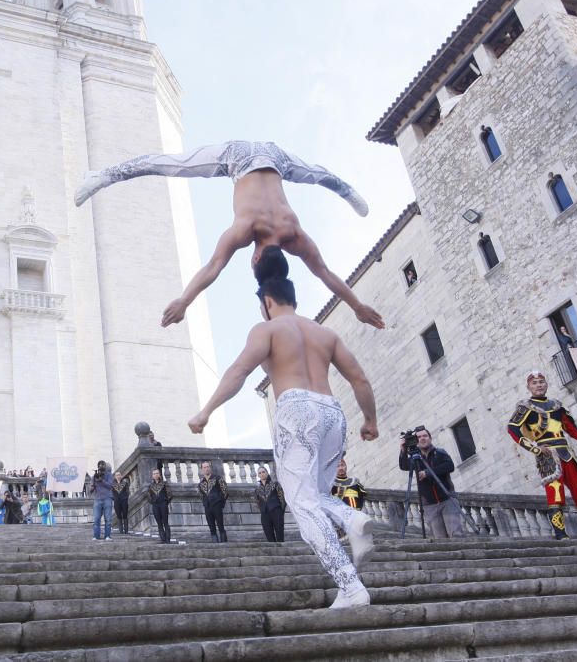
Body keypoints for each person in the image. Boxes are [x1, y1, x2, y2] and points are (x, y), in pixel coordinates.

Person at [187, 250, 377, 609]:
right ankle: (351, 517)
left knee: (301, 503)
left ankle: (350, 584)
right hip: (333, 412)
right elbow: (360, 379)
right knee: (317, 495)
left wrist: (207, 410)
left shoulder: (268, 328)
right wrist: (371, 420)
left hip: (297, 410)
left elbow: (240, 371)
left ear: (268, 301)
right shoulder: (325, 333)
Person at [75, 142, 383, 330]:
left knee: (317, 174)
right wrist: (183, 301)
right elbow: (212, 268)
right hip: (235, 157)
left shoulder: (293, 232)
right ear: (257, 256)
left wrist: (358, 306)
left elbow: (326, 275)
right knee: (171, 165)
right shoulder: (247, 228)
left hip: (274, 158)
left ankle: (348, 192)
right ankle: (102, 175)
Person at [507, 371, 577, 539]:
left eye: (541, 381)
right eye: (535, 383)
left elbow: (573, 430)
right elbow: (512, 428)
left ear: (546, 384)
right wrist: (535, 449)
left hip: (567, 454)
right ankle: (561, 534)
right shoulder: (525, 407)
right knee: (555, 494)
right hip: (548, 456)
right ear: (529, 387)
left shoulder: (557, 406)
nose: (539, 385)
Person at [398, 427, 465, 539]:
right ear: (415, 441)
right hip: (429, 504)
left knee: (456, 534)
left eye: (425, 436)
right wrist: (403, 450)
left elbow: (449, 466)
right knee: (439, 539)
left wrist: (428, 473)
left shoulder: (439, 453)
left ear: (430, 438)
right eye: (419, 437)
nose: (422, 438)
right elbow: (404, 466)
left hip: (447, 499)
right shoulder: (415, 459)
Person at [197, 461, 229, 543]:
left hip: (217, 505)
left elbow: (225, 491)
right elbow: (201, 495)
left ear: (210, 468)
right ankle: (215, 544)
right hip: (207, 507)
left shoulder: (218, 478)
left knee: (220, 526)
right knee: (211, 527)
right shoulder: (201, 483)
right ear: (202, 469)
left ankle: (224, 544)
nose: (206, 469)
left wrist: (221, 503)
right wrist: (205, 503)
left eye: (208, 467)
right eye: (204, 467)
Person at [254, 467, 285, 543]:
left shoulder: (275, 484)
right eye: (260, 473)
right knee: (268, 534)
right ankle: (274, 553)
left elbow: (282, 498)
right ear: (258, 475)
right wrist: (261, 509)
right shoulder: (257, 488)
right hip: (265, 513)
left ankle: (281, 552)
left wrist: (281, 511)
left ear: (267, 473)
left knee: (279, 533)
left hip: (276, 511)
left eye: (263, 472)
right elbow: (257, 501)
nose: (262, 474)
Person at [88, 460, 114, 541]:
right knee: (96, 519)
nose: (101, 466)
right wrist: (94, 483)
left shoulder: (109, 475)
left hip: (107, 498)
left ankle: (107, 536)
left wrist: (102, 481)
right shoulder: (94, 476)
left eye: (103, 465)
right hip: (97, 499)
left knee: (108, 519)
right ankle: (96, 536)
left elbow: (110, 486)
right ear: (98, 466)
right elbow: (91, 490)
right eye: (100, 465)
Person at [147, 468, 172, 543]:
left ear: (159, 474)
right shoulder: (150, 486)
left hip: (163, 504)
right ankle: (163, 539)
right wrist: (153, 501)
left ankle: (168, 539)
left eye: (157, 473)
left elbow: (170, 494)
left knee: (165, 522)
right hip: (155, 505)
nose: (156, 475)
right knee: (159, 523)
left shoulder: (164, 483)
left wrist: (165, 501)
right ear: (152, 476)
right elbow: (148, 496)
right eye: (154, 473)